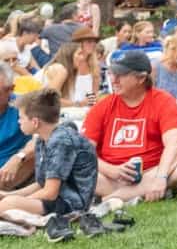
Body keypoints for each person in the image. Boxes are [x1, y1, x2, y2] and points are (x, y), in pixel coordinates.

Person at [84, 50, 177, 203]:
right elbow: (85, 152)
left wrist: (161, 177)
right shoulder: (103, 105)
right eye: (112, 73)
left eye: (120, 75)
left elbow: (174, 144)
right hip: (109, 176)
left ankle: (112, 198)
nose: (114, 80)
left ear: (140, 78)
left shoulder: (163, 101)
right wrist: (112, 170)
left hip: (150, 173)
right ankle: (139, 193)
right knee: (79, 170)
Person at [0, 88, 103, 239]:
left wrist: (16, 201)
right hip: (57, 198)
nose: (19, 121)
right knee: (7, 201)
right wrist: (10, 194)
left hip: (72, 203)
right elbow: (42, 183)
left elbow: (50, 192)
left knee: (6, 206)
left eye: (21, 117)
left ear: (35, 122)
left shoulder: (60, 141)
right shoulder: (43, 139)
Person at [38, 37, 103, 109]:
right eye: (79, 54)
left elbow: (91, 95)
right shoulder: (61, 69)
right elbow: (50, 100)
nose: (82, 58)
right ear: (69, 55)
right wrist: (79, 103)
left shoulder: (75, 70)